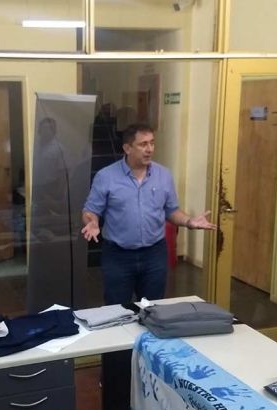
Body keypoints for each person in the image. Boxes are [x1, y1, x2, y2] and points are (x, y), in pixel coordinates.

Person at [81, 123, 216, 304]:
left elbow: (171, 211)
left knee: (153, 309)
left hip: (154, 255)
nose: (149, 149)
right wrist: (92, 221)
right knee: (117, 310)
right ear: (127, 148)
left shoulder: (164, 175)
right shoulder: (106, 177)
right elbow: (91, 210)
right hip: (118, 256)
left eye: (152, 143)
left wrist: (189, 221)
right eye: (143, 144)